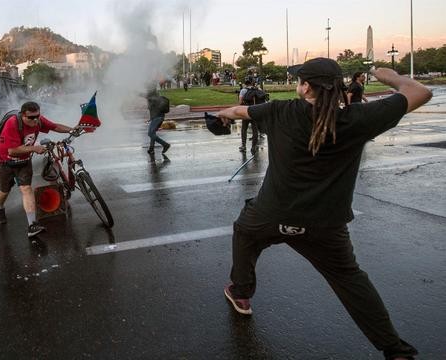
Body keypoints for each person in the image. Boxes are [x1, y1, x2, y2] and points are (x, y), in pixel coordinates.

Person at [216, 58, 431, 360]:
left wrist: (223, 115)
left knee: (244, 232)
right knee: (349, 279)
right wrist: (389, 75)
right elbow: (420, 92)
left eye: (299, 80)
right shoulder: (358, 118)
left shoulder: (281, 111)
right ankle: (395, 350)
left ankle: (241, 292)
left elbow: (239, 111)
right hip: (325, 225)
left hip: (269, 216)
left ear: (305, 87)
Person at [0, 101, 74, 238]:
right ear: (23, 115)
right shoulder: (12, 123)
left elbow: (55, 126)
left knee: (26, 189)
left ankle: (32, 225)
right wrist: (34, 148)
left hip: (24, 161)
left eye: (37, 116)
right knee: (4, 192)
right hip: (4, 161)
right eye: (31, 117)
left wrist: (72, 129)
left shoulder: (38, 121)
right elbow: (12, 151)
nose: (35, 120)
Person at [238, 79, 261, 154]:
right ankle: (254, 146)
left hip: (246, 111)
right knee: (255, 129)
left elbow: (240, 102)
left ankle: (243, 146)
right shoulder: (258, 89)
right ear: (252, 83)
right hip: (255, 111)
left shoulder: (243, 91)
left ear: (245, 84)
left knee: (244, 128)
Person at [145, 89, 170, 155]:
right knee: (153, 133)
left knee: (150, 134)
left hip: (157, 118)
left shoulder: (152, 99)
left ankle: (165, 144)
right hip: (157, 118)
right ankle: (151, 149)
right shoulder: (156, 99)